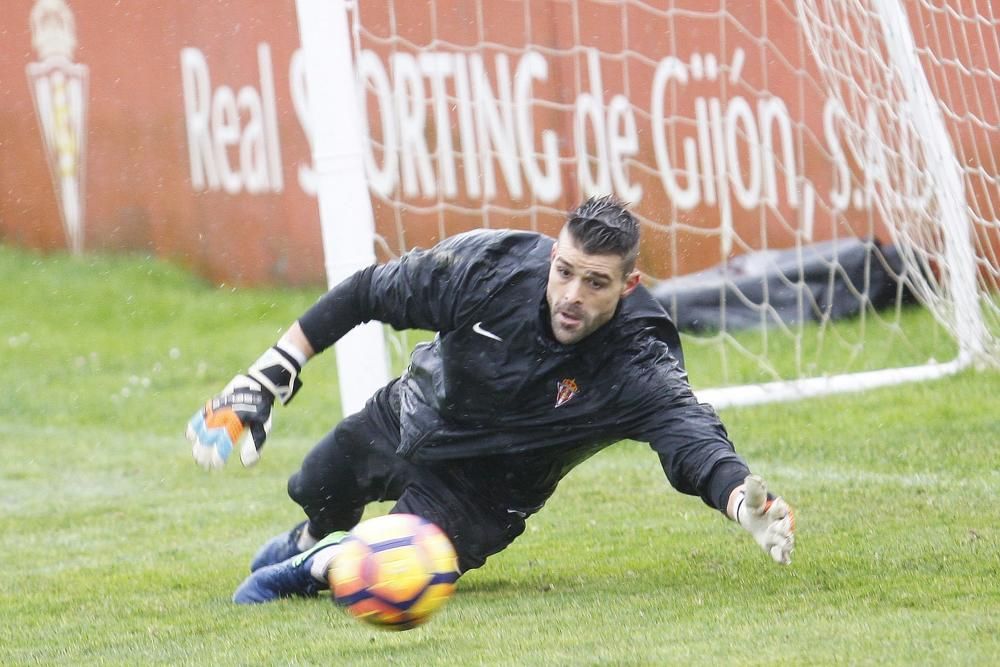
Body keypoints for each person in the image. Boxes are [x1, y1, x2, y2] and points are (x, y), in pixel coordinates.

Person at [185, 195, 795, 604]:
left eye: (596, 282)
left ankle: (312, 563)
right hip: (414, 412)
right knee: (318, 485)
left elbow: (691, 440)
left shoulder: (638, 359)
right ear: (553, 256)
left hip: (484, 491)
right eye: (565, 271)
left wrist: (742, 500)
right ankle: (311, 536)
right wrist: (267, 377)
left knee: (358, 573)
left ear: (629, 285)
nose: (572, 295)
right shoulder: (492, 267)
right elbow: (369, 292)